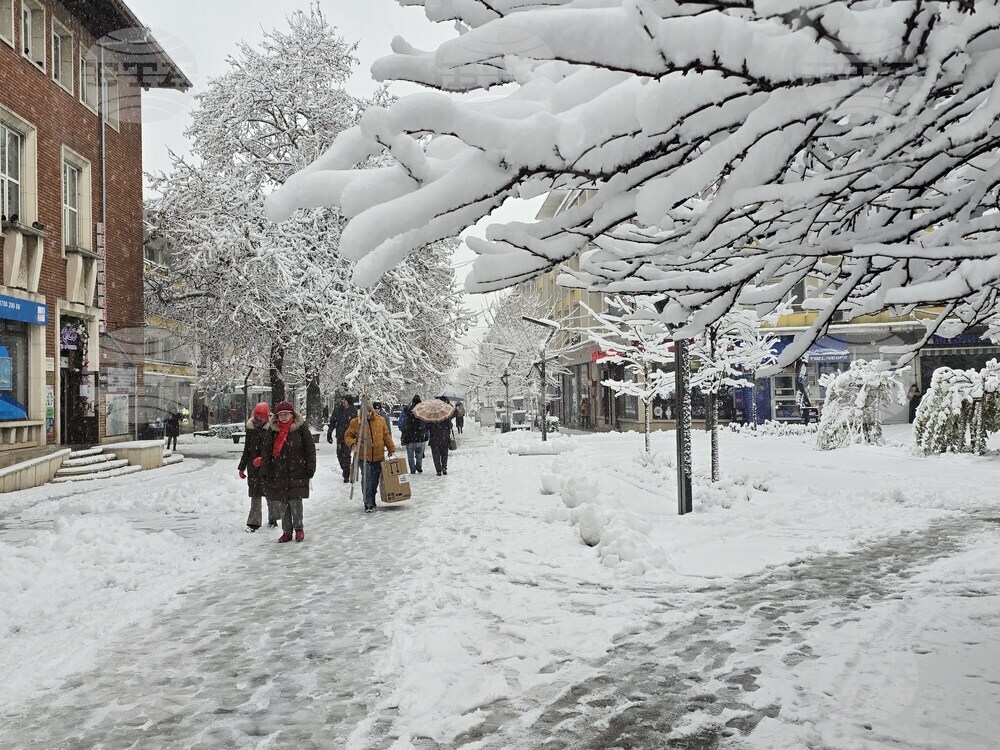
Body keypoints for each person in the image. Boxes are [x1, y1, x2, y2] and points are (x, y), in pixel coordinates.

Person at [256, 401, 316, 543]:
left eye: (286, 414)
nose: (283, 417)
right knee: (283, 503)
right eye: (280, 415)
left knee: (295, 501)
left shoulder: (301, 428)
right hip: (278, 472)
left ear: (292, 414)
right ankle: (286, 531)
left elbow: (310, 448)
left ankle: (299, 529)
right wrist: (264, 470)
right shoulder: (272, 430)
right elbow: (266, 452)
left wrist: (311, 467)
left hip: (298, 470)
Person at [344, 401, 396, 513]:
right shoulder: (356, 422)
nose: (367, 413)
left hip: (378, 456)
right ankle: (367, 503)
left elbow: (386, 435)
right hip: (364, 456)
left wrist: (391, 448)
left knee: (375, 480)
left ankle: (372, 497)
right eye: (365, 411)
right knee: (366, 479)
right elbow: (348, 435)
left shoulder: (380, 420)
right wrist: (353, 444)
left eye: (369, 411)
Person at [238, 403, 279, 532]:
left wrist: (263, 459)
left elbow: (275, 449)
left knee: (270, 494)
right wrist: (241, 467)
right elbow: (247, 449)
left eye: (261, 416)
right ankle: (253, 523)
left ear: (267, 416)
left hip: (268, 467)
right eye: (257, 416)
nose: (258, 419)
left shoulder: (272, 429)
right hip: (253, 468)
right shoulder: (251, 429)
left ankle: (273, 519)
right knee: (255, 494)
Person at [327, 395, 358, 483]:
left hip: (350, 437)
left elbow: (357, 424)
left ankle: (346, 474)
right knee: (339, 454)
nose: (343, 401)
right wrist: (329, 432)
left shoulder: (354, 411)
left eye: (345, 400)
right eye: (343, 399)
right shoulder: (338, 410)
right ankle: (344, 469)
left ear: (348, 401)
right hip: (340, 436)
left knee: (346, 455)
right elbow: (333, 421)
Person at [399, 395, 428, 474]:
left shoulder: (406, 410)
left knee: (410, 455)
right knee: (419, 454)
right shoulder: (423, 411)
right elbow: (426, 424)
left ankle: (412, 469)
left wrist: (404, 431)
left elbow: (400, 423)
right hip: (420, 437)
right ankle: (419, 466)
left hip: (409, 437)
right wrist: (426, 434)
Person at [427, 397, 454, 476]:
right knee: (444, 454)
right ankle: (444, 468)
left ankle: (438, 470)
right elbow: (450, 426)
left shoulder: (431, 416)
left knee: (436, 455)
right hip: (444, 438)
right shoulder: (445, 415)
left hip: (434, 439)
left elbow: (427, 427)